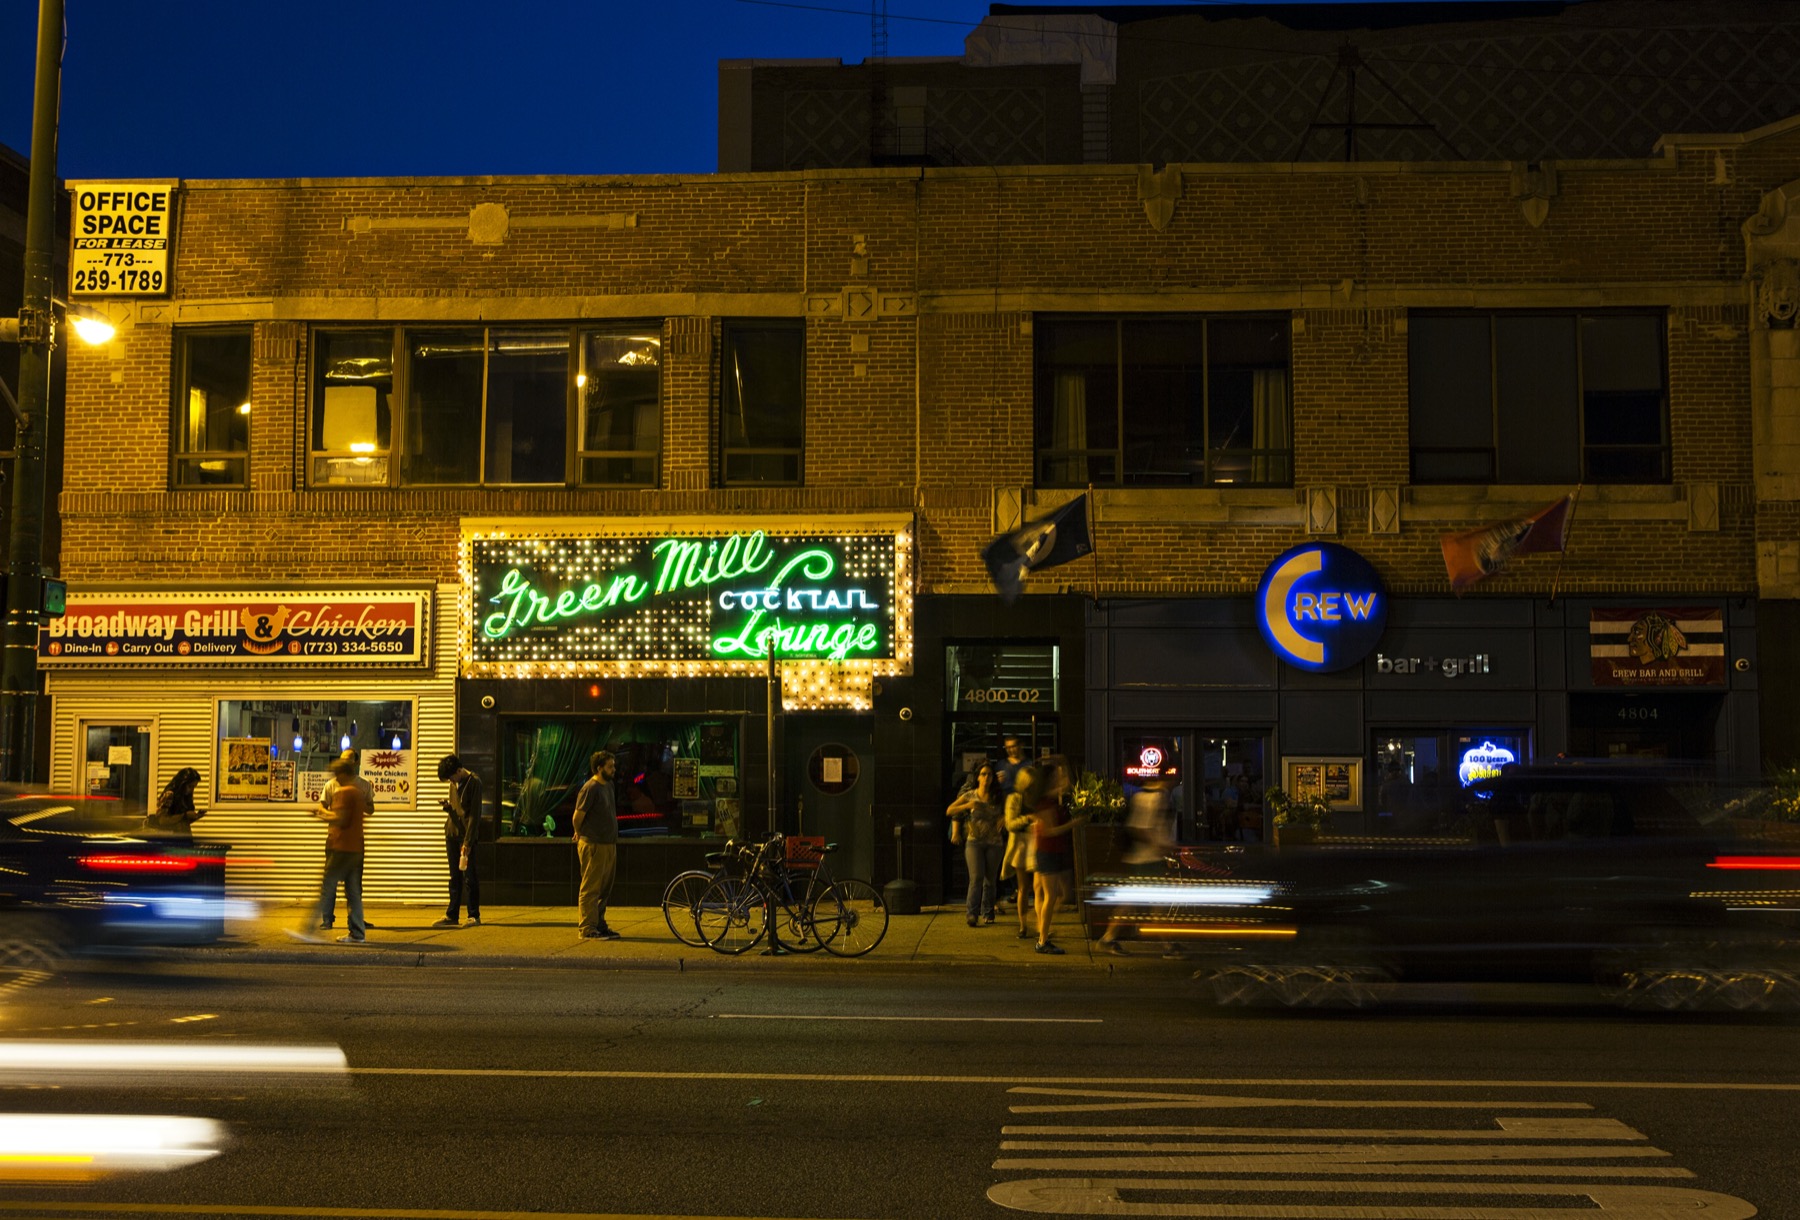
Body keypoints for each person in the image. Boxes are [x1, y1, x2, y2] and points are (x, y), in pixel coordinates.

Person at [292, 755, 368, 945]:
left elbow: (339, 819)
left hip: (340, 847)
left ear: (343, 774)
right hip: (355, 848)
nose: (335, 777)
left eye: (336, 773)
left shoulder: (344, 792)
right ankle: (358, 933)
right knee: (353, 892)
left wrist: (320, 814)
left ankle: (309, 930)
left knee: (327, 888)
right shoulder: (358, 792)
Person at [1099, 777, 1176, 954]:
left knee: (1134, 902)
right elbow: (1139, 828)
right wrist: (1160, 844)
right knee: (1156, 905)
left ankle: (1108, 938)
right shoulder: (1155, 797)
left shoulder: (1141, 796)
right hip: (1148, 860)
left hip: (1142, 859)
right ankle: (1168, 945)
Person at [1026, 761, 1088, 955]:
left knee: (1055, 895)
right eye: (1054, 777)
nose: (1057, 780)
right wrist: (1074, 823)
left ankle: (1042, 933)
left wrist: (1062, 765)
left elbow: (1066, 785)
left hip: (1051, 851)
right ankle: (1042, 940)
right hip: (1048, 851)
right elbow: (1049, 831)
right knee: (1051, 896)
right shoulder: (1044, 803)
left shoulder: (1050, 799)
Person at [318, 750, 375, 931]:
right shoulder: (332, 786)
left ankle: (354, 923)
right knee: (350, 887)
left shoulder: (356, 788)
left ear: (355, 763)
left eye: (348, 761)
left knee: (342, 884)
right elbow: (323, 806)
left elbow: (344, 817)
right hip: (341, 842)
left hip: (343, 844)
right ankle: (333, 920)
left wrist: (325, 815)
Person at [947, 761, 1006, 927]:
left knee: (990, 879)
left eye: (989, 775)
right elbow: (950, 810)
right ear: (978, 777)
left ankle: (988, 912)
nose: (986, 778)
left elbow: (1009, 811)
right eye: (983, 774)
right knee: (976, 877)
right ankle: (972, 913)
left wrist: (1004, 818)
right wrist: (968, 805)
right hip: (974, 842)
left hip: (994, 842)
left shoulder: (998, 796)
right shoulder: (970, 795)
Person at [573, 751, 621, 940]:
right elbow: (577, 816)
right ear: (599, 768)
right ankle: (587, 928)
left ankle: (599, 924)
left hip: (608, 844)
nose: (613, 769)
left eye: (613, 765)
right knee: (591, 887)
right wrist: (578, 832)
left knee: (604, 888)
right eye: (610, 766)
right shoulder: (590, 788)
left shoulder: (608, 785)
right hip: (594, 844)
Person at [434, 754, 482, 928]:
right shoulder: (453, 783)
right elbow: (457, 808)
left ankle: (473, 915)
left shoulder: (474, 782)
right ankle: (452, 914)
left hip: (466, 835)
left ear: (459, 770)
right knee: (454, 876)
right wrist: (448, 807)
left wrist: (468, 842)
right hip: (452, 832)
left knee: (469, 877)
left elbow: (474, 815)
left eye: (451, 777)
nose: (451, 781)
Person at [1001, 766, 1038, 941]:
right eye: (1030, 783)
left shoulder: (1037, 798)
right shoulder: (1015, 798)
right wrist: (1028, 819)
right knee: (1023, 888)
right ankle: (1023, 925)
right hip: (1021, 846)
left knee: (1039, 887)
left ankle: (1040, 923)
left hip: (1037, 845)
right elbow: (1010, 824)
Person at [146, 768, 204, 838]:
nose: (192, 790)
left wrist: (195, 816)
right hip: (172, 837)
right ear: (182, 784)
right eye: (190, 786)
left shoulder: (185, 796)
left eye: (194, 787)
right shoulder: (170, 795)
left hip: (184, 836)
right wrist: (184, 815)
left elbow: (181, 822)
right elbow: (162, 820)